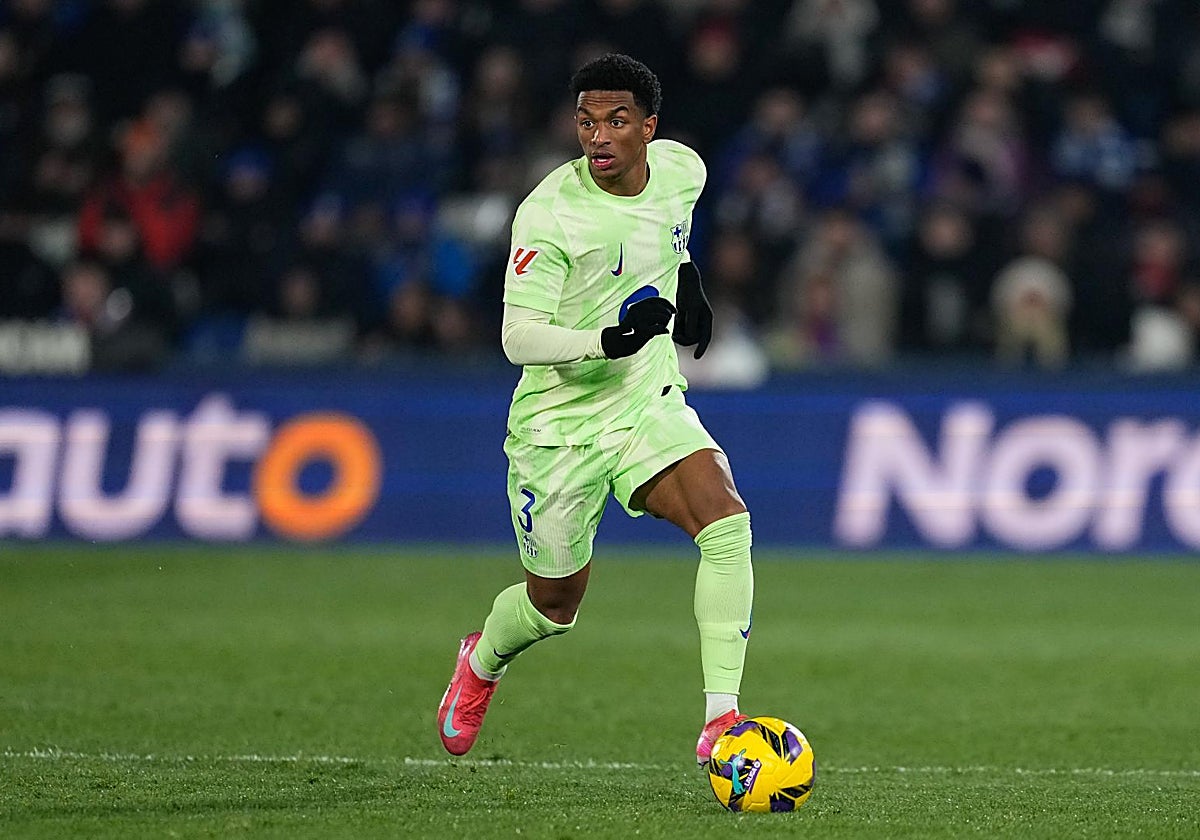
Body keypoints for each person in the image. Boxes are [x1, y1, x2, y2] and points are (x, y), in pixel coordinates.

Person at [436, 53, 755, 766]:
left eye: (615, 121)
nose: (598, 137)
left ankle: (722, 720)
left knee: (726, 524)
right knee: (554, 605)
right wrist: (606, 339)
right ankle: (481, 661)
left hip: (645, 398)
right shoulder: (549, 213)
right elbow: (518, 337)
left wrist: (689, 284)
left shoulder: (684, 171)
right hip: (559, 427)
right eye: (586, 122)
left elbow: (667, 236)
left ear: (649, 127)